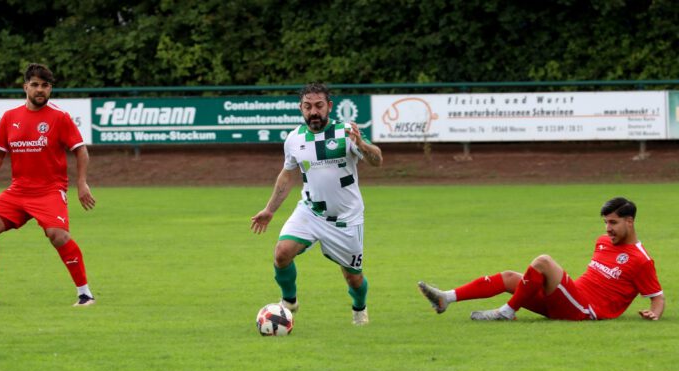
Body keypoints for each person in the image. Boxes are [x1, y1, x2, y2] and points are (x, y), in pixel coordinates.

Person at [0, 63, 97, 307]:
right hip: (18, 191)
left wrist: (81, 183)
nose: (40, 89)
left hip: (49, 191)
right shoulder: (10, 117)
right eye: (35, 85)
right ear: (25, 87)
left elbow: (80, 150)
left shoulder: (59, 117)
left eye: (45, 85)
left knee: (58, 235)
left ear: (50, 89)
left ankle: (85, 294)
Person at [251, 82, 383, 325]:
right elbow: (287, 174)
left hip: (346, 219)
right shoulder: (294, 139)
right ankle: (289, 301)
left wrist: (362, 145)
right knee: (281, 253)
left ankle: (359, 308)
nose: (313, 112)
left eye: (319, 106)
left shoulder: (346, 131)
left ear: (329, 106)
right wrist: (269, 210)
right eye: (308, 106)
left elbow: (377, 160)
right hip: (311, 211)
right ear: (300, 108)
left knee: (353, 278)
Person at [418, 197, 664, 321]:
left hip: (587, 310)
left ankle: (506, 312)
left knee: (544, 262)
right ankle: (445, 298)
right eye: (605, 223)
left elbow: (657, 297)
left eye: (613, 223)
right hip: (570, 298)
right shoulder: (602, 241)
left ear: (629, 222)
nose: (608, 229)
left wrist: (655, 313)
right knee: (510, 277)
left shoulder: (641, 260)